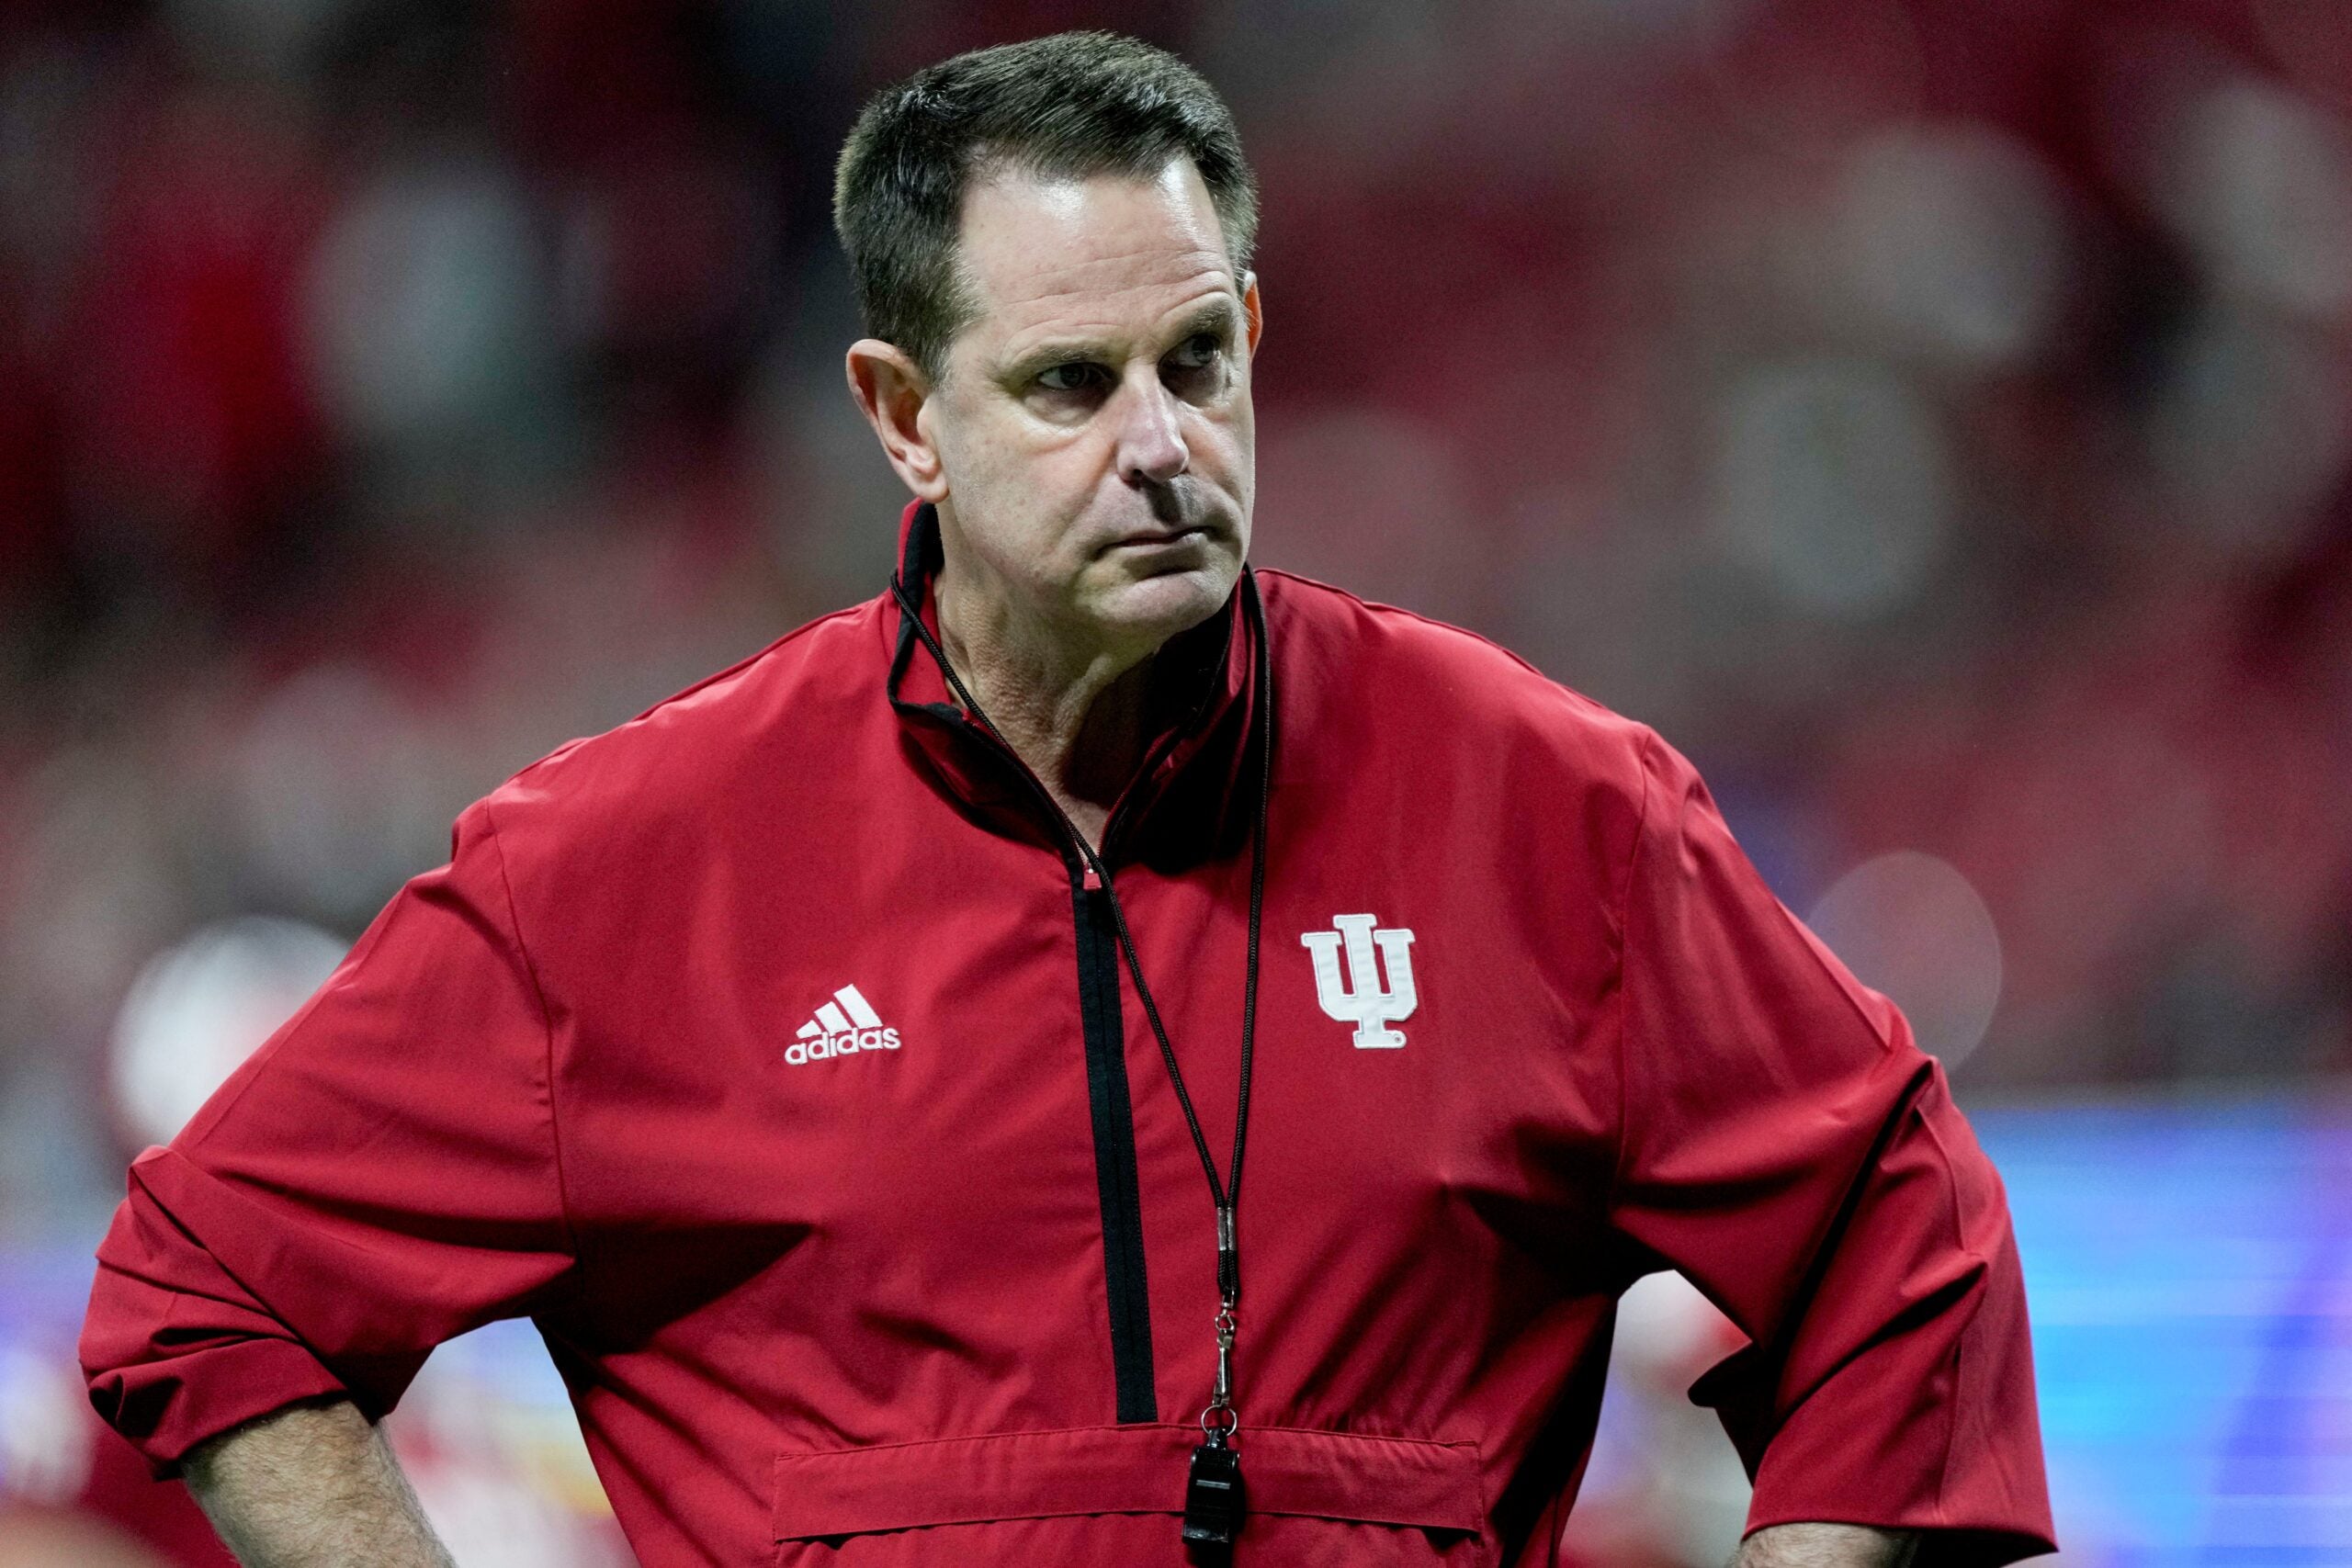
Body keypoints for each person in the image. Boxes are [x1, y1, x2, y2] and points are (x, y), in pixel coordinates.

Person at [78, 30, 2054, 1568]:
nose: (1160, 445)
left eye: (1198, 361)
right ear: (899, 415)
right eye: (1066, 383)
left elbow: (1907, 1240)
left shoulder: (1541, 807)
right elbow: (212, 1291)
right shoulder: (626, 865)